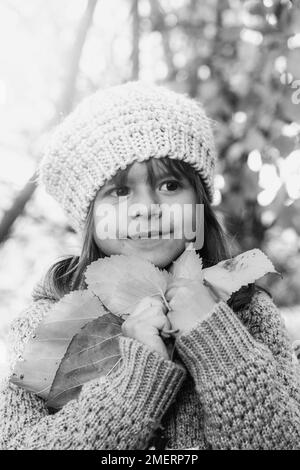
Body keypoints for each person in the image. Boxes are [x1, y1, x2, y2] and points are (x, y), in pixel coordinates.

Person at [0, 81, 299, 450]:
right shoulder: (47, 327)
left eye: (171, 185)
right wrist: (136, 385)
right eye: (120, 191)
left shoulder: (248, 312)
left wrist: (220, 343)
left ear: (200, 202)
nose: (147, 207)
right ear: (89, 216)